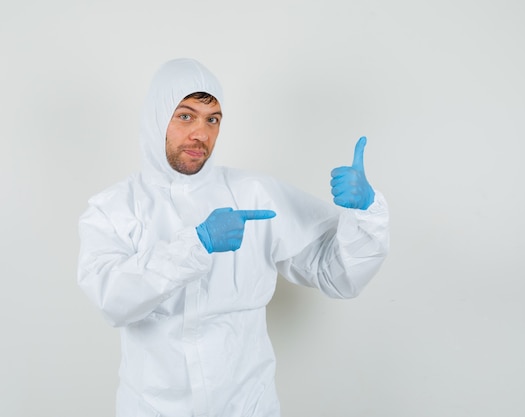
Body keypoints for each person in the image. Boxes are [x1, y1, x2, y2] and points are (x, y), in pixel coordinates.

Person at [77, 58, 389, 417]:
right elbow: (113, 300)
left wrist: (365, 213)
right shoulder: (114, 208)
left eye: (213, 120)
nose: (201, 133)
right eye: (185, 116)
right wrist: (198, 243)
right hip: (153, 408)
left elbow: (338, 276)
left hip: (247, 407)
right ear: (156, 117)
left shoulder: (254, 195)